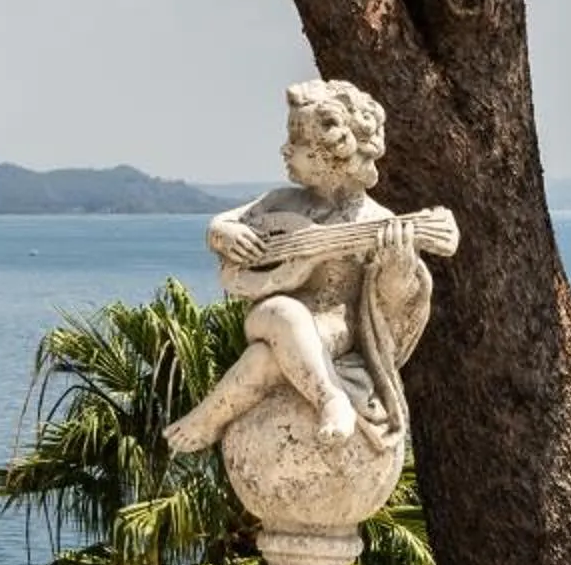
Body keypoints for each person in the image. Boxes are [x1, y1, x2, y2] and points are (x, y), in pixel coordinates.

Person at [164, 78, 440, 459]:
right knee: (283, 310)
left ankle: (215, 417)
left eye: (297, 141)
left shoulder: (375, 221)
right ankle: (328, 396)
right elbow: (221, 226)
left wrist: (399, 267)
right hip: (269, 315)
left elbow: (394, 304)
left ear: (335, 154)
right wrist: (225, 235)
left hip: (335, 325)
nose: (285, 149)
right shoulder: (282, 202)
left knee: (263, 360)